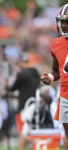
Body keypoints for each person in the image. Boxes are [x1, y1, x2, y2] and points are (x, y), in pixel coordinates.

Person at [41, 3, 68, 142]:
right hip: (65, 95)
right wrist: (51, 76)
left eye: (66, 22)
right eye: (61, 22)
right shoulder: (57, 43)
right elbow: (57, 69)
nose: (63, 26)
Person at [7, 53, 40, 150]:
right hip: (34, 105)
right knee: (33, 130)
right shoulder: (35, 72)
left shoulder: (21, 74)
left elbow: (12, 88)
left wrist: (6, 85)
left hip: (24, 107)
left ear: (22, 62)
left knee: (22, 130)